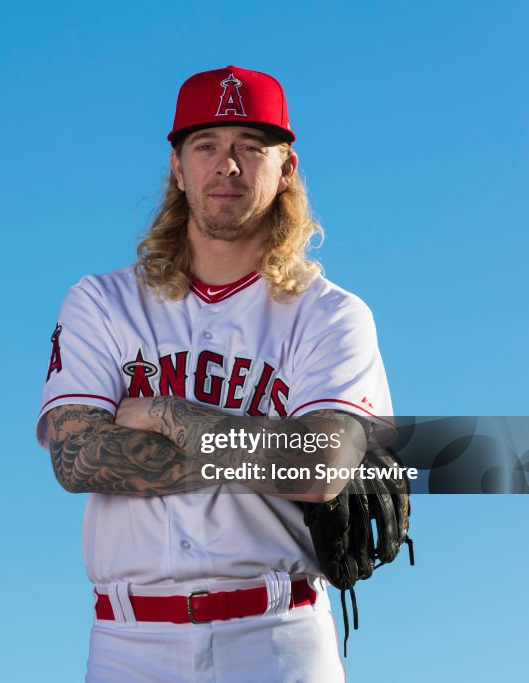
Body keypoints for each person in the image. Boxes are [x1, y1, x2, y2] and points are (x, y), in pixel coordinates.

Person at [35, 65, 393, 683]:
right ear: (177, 167)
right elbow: (77, 457)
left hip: (279, 637)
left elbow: (320, 466)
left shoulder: (332, 314)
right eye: (206, 145)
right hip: (129, 643)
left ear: (287, 169)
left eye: (250, 147)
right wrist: (268, 449)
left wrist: (166, 414)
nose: (226, 165)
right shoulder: (101, 302)